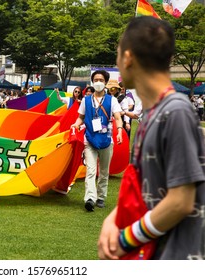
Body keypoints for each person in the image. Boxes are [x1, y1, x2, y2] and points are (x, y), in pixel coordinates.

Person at [98, 17, 205, 260]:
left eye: (117, 54)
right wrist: (114, 219)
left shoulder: (175, 111)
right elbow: (146, 186)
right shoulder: (153, 114)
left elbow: (181, 201)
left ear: (127, 58)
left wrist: (126, 239)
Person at [71, 70, 123, 212]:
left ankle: (101, 196)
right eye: (96, 80)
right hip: (90, 139)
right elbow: (80, 117)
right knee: (91, 171)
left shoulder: (112, 100)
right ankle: (90, 198)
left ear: (105, 83)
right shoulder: (86, 100)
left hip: (106, 140)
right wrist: (76, 124)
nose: (98, 82)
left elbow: (118, 117)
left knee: (104, 171)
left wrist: (119, 131)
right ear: (92, 82)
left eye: (101, 80)